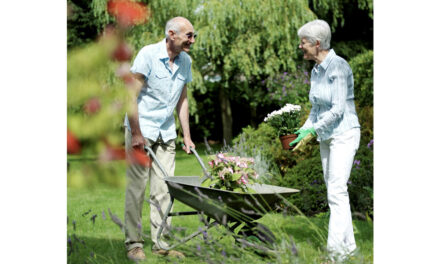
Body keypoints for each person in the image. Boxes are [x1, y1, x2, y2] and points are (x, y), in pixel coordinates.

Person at [123, 16, 196, 261]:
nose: (192, 40)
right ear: (171, 35)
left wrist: (186, 135)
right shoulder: (148, 55)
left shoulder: (186, 61)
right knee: (136, 189)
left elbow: (182, 99)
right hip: (141, 129)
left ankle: (160, 243)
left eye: (193, 36)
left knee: (165, 188)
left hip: (166, 131)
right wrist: (135, 132)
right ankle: (134, 244)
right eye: (189, 36)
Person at [289, 19, 361, 262]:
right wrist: (303, 130)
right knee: (335, 192)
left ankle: (334, 255)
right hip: (328, 136)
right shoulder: (317, 70)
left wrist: (312, 132)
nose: (300, 47)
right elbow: (317, 110)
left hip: (344, 133)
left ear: (317, 43)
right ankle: (349, 249)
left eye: (303, 42)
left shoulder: (338, 67)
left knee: (337, 192)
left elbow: (338, 109)